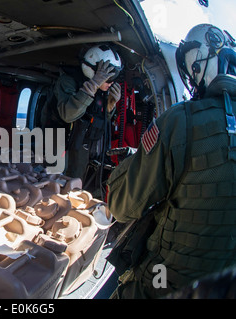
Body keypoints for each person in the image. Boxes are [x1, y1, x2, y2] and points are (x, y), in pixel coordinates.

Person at [106, 24, 236, 299]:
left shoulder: (182, 120)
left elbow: (120, 205)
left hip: (165, 284)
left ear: (198, 66)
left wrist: (133, 164)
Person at [41, 45, 122, 194]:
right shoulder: (68, 81)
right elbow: (68, 114)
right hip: (60, 140)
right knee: (56, 183)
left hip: (82, 143)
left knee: (75, 182)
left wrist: (110, 106)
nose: (111, 82)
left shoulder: (102, 89)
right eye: (108, 77)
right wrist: (92, 85)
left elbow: (98, 118)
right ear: (92, 71)